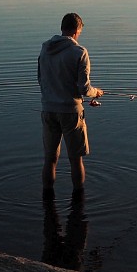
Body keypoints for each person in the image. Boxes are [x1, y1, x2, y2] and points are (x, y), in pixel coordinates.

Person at [37, 12, 103, 192]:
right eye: (79, 32)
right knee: (76, 159)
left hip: (48, 110)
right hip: (71, 113)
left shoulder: (45, 49)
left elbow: (40, 79)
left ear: (62, 28)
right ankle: (79, 199)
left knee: (50, 159)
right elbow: (84, 88)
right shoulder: (79, 52)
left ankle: (47, 198)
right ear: (76, 30)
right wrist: (96, 93)